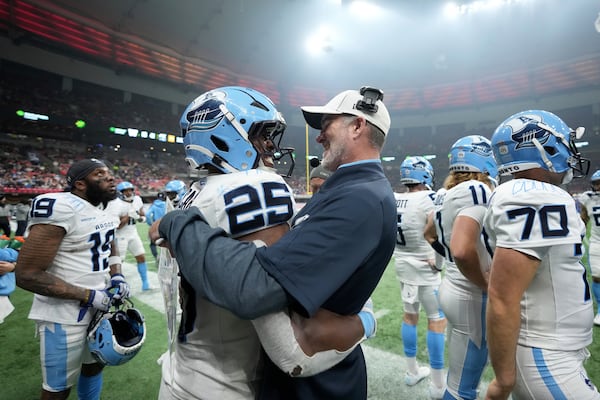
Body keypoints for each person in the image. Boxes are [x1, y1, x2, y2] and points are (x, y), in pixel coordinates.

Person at [150, 86, 396, 399]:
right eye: (263, 134)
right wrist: (365, 321)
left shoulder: (189, 194)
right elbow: (288, 342)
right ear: (225, 133)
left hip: (182, 368)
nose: (271, 145)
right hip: (229, 381)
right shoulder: (257, 184)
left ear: (359, 126)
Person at [483, 110, 599, 400]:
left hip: (553, 347)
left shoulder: (529, 193)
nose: (571, 151)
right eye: (565, 143)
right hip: (547, 353)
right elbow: (502, 298)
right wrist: (503, 379)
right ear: (542, 147)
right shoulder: (532, 194)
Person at [15, 158, 130, 400]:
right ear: (79, 183)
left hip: (99, 307)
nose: (110, 177)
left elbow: (109, 242)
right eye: (100, 174)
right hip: (64, 314)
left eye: (110, 172)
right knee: (58, 388)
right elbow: (27, 275)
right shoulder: (61, 206)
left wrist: (117, 275)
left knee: (94, 365)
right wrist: (89, 295)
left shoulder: (104, 208)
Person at [434, 135, 497, 400]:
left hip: (451, 284)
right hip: (471, 293)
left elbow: (429, 233)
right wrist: (486, 282)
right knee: (463, 388)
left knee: (459, 377)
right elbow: (461, 249)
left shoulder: (445, 193)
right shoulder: (477, 190)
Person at [394, 156, 447, 399]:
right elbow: (435, 234)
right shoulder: (430, 199)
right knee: (436, 320)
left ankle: (412, 371)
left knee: (410, 317)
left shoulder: (395, 198)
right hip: (426, 267)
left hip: (403, 265)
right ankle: (437, 385)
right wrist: (438, 263)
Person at [106, 181, 150, 290]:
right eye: (126, 191)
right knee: (118, 262)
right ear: (120, 193)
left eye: (130, 190)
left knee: (141, 257)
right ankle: (116, 287)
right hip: (120, 236)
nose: (129, 193)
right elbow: (117, 226)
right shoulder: (115, 204)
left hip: (133, 233)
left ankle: (145, 283)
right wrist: (127, 216)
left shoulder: (137, 200)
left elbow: (143, 217)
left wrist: (138, 217)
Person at [579, 169, 600, 325]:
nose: (598, 187)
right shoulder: (588, 199)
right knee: (597, 278)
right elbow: (583, 219)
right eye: (596, 184)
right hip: (597, 242)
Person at [146, 192, 167, 260]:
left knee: (152, 244)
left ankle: (156, 256)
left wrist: (151, 224)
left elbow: (147, 215)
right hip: (166, 226)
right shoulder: (166, 204)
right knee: (167, 243)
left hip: (156, 227)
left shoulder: (154, 205)